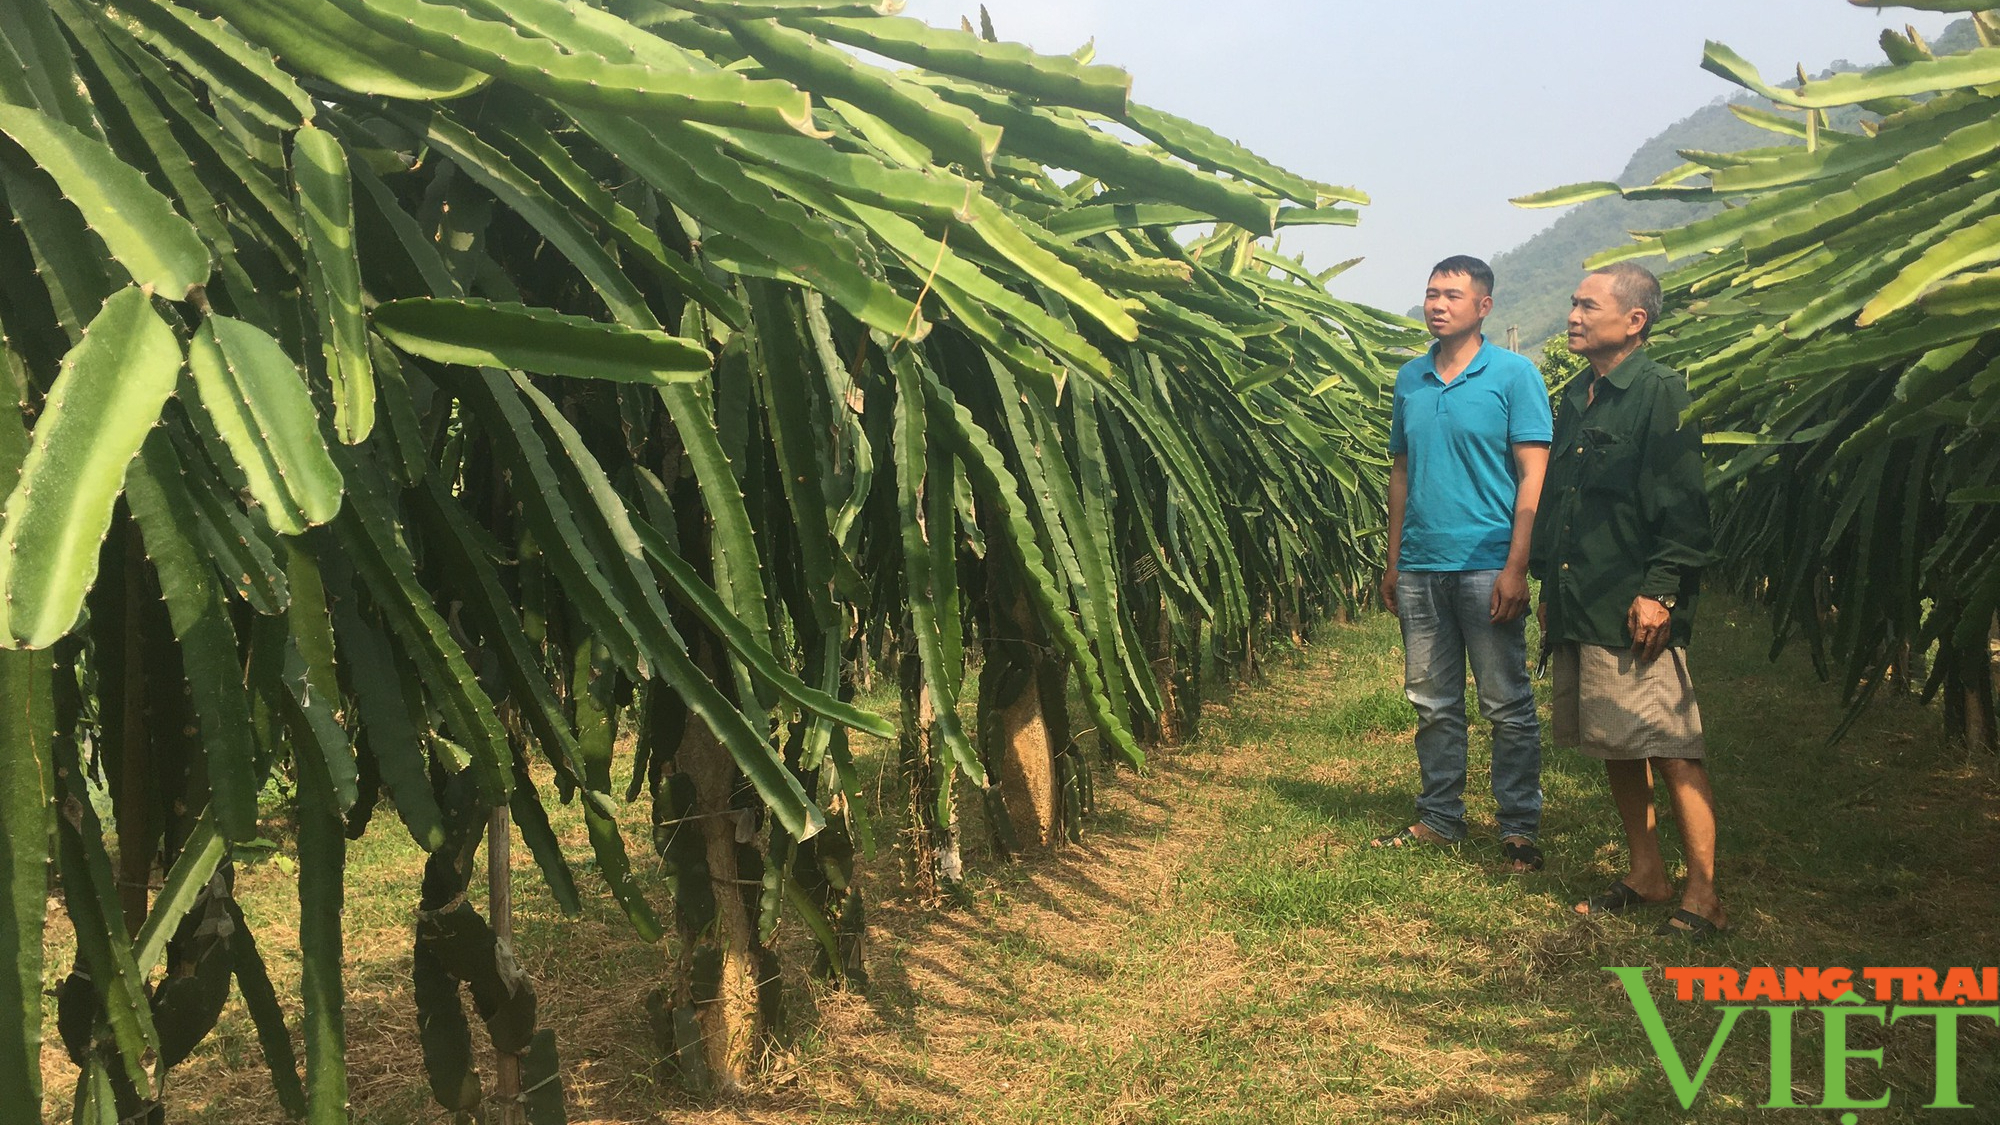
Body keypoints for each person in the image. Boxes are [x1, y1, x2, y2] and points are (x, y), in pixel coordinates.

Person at [1533, 262, 1726, 940]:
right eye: (1573, 302)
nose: (1574, 315)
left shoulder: (1659, 392)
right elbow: (1562, 497)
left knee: (1672, 743)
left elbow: (1681, 500)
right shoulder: (1578, 395)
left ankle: (1705, 894)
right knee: (1615, 738)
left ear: (1634, 320)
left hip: (1632, 598)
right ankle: (1647, 872)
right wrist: (1547, 586)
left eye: (1588, 305)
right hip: (1581, 590)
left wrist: (1660, 588)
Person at [1373, 256, 1551, 873]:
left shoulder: (1514, 376)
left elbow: (1534, 473)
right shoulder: (1409, 379)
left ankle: (1518, 827)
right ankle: (1440, 817)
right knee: (1431, 700)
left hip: (1487, 563)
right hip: (1422, 566)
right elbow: (1401, 472)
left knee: (1505, 702)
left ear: (1484, 307)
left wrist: (1516, 565)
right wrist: (1394, 558)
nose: (1437, 304)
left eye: (1452, 294)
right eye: (1430, 294)